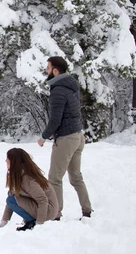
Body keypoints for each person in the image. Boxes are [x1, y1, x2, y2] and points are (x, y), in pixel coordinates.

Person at [37, 56, 92, 219]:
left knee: (54, 178)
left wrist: (44, 137)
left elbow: (56, 119)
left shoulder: (58, 91)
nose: (46, 71)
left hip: (67, 138)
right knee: (76, 176)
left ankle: (55, 213)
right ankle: (87, 210)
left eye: (48, 68)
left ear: (55, 71)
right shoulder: (71, 86)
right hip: (78, 136)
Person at [0, 148, 59, 231]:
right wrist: (4, 221)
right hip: (44, 209)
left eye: (8, 159)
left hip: (48, 211)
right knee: (11, 195)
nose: (6, 161)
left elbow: (43, 200)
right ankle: (30, 221)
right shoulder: (18, 175)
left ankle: (31, 222)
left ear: (14, 161)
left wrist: (39, 224)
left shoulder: (28, 179)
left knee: (12, 199)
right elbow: (11, 194)